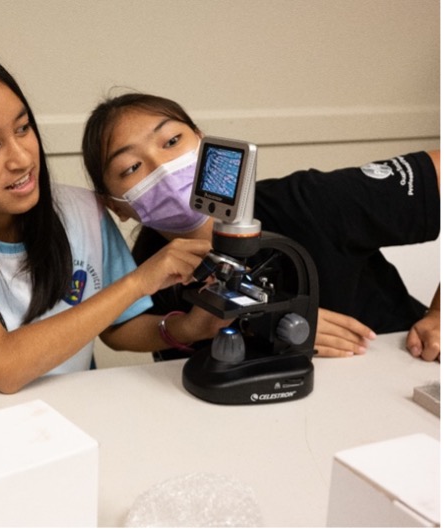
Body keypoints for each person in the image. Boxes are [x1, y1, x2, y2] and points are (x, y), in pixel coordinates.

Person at [0, 43, 229, 394]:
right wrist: (138, 281)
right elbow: (4, 367)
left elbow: (120, 326)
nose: (21, 159)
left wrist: (188, 329)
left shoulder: (83, 210)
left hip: (72, 419)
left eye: (23, 128)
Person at [82, 92, 440, 361]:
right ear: (115, 205)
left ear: (205, 143)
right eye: (131, 168)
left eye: (173, 141)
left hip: (390, 369)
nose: (163, 167)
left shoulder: (310, 202)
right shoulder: (149, 267)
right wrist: (186, 327)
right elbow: (116, 329)